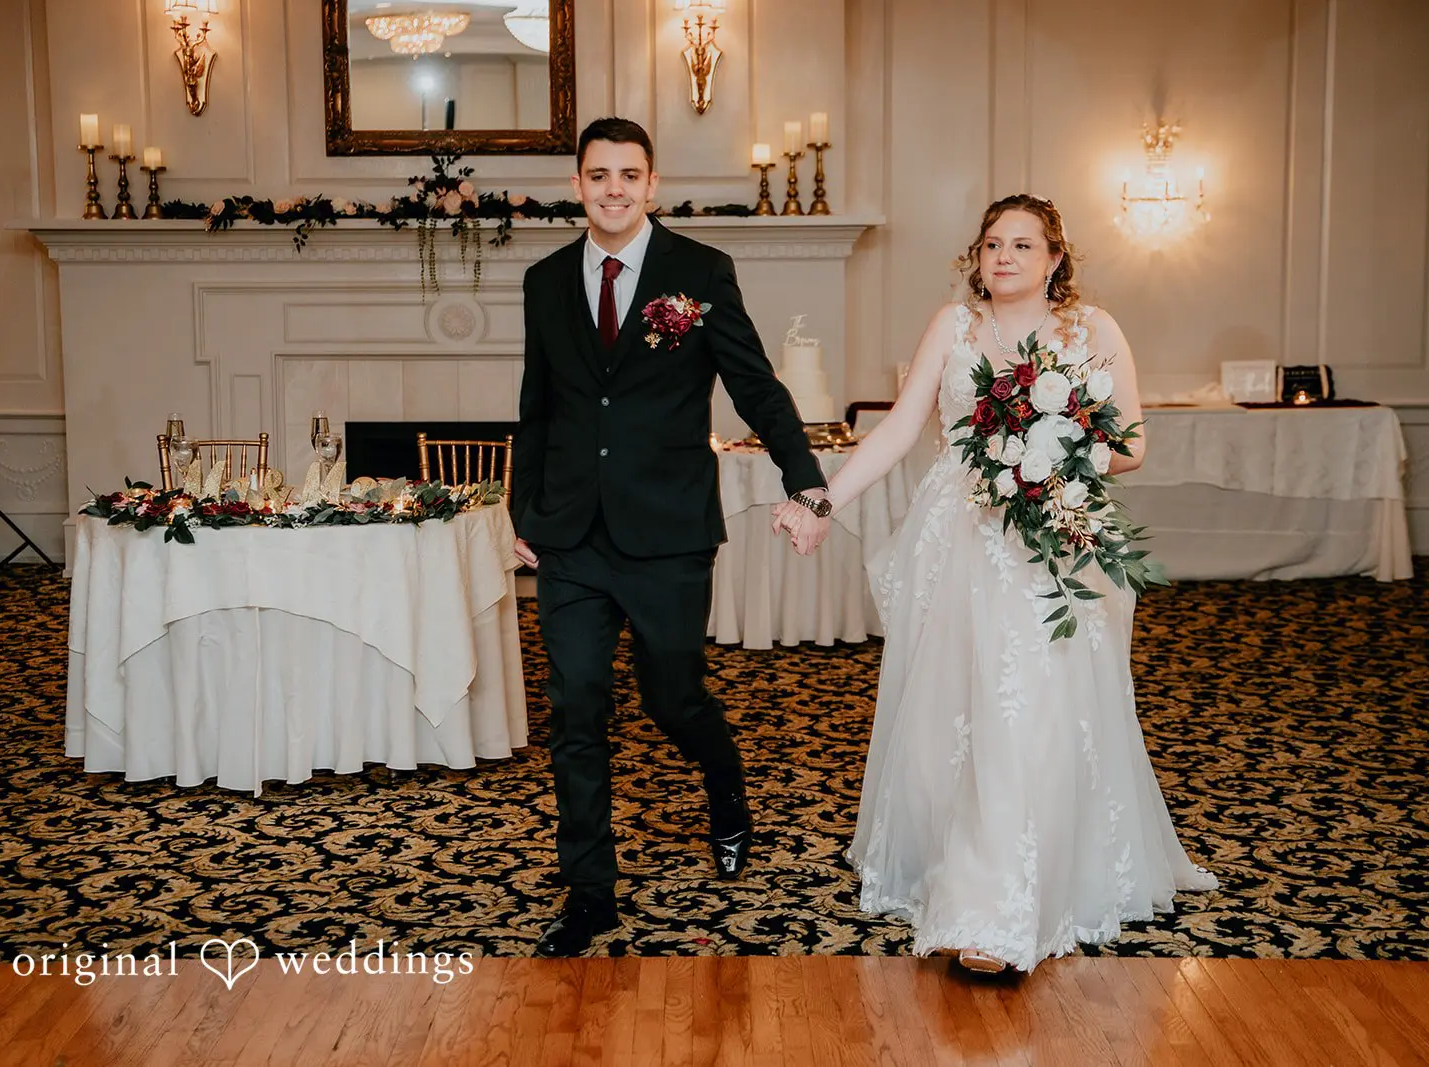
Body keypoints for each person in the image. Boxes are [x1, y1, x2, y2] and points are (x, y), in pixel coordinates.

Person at [780, 194, 1217, 973]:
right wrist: (823, 496)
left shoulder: (1095, 330)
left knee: (1038, 705)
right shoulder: (952, 328)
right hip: (963, 540)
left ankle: (1003, 901)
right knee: (960, 702)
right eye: (991, 244)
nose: (1004, 257)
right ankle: (959, 875)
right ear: (976, 258)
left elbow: (1133, 444)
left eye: (1023, 244)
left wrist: (1053, 448)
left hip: (1054, 536)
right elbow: (900, 428)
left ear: (1055, 258)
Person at [511, 117, 834, 958]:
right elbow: (536, 409)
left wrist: (807, 478)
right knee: (574, 709)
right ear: (577, 185)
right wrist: (523, 515)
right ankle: (590, 894)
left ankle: (724, 785)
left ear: (651, 185)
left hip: (668, 534)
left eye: (629, 175)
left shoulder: (700, 271)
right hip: (572, 536)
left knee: (672, 699)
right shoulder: (545, 281)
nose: (613, 188)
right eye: (597, 175)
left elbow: (756, 388)